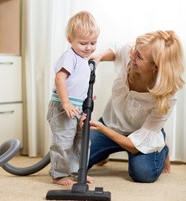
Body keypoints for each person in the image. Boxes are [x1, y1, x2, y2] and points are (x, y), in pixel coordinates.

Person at [87, 30, 185, 183]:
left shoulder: (167, 97)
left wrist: (101, 129)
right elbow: (118, 50)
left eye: (139, 56)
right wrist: (100, 57)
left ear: (156, 67)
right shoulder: (132, 53)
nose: (131, 56)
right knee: (74, 160)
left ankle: (161, 149)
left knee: (144, 173)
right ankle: (104, 151)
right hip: (112, 124)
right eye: (135, 51)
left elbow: (135, 146)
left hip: (141, 135)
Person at [47, 11, 100, 186]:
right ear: (70, 39)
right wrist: (67, 102)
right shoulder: (70, 56)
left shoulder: (85, 59)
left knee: (81, 139)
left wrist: (86, 96)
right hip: (63, 107)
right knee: (64, 140)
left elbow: (77, 81)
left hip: (78, 108)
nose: (89, 47)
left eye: (93, 43)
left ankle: (78, 171)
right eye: (83, 43)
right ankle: (59, 174)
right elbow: (60, 78)